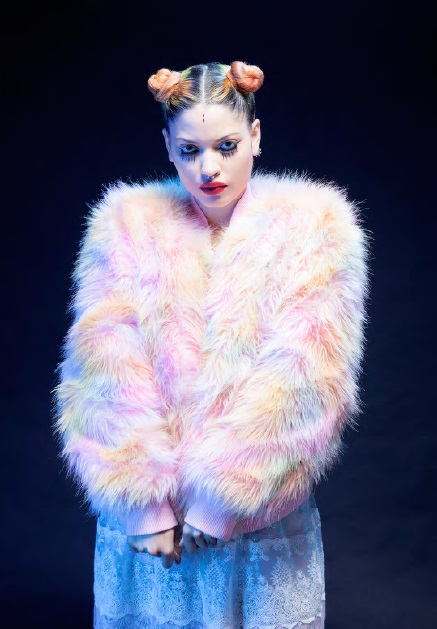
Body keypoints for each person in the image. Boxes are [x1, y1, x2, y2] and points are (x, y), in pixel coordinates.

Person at [53, 60, 370, 628]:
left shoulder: (316, 229)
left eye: (226, 145)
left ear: (255, 135)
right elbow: (103, 366)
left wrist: (223, 501)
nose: (209, 167)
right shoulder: (126, 226)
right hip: (154, 529)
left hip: (259, 519)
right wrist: (144, 507)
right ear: (168, 147)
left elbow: (307, 378)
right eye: (189, 149)